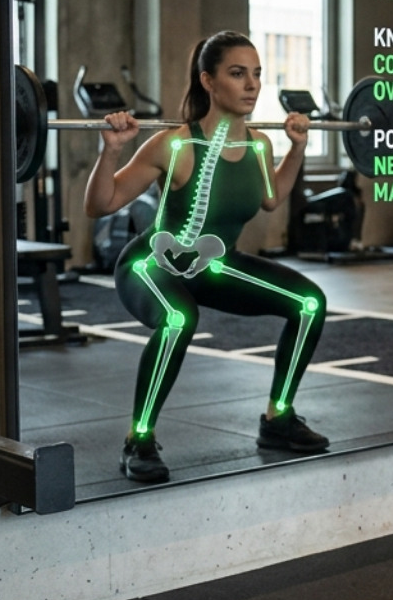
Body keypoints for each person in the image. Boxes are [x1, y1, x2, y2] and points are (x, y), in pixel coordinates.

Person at [84, 31, 330, 483]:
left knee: (309, 303)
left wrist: (297, 148)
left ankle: (278, 418)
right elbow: (101, 204)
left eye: (256, 74)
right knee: (179, 319)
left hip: (215, 263)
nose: (252, 85)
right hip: (151, 265)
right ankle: (139, 437)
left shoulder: (259, 145)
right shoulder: (174, 144)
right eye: (238, 74)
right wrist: (111, 151)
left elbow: (273, 198)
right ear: (209, 82)